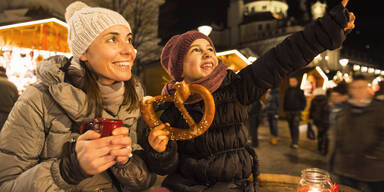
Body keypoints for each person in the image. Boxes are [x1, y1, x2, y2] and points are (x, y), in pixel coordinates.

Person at [141, 0, 355, 191]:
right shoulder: (168, 109)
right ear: (180, 68)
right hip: (187, 186)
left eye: (210, 49)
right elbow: (165, 167)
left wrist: (328, 28)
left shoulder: (237, 87)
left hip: (233, 184)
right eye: (195, 50)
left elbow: (283, 58)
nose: (207, 53)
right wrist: (160, 152)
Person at [0, 1, 156, 191]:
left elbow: (145, 182)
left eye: (129, 40)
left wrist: (125, 162)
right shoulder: (38, 100)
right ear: (83, 52)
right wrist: (69, 170)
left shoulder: (131, 101)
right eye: (112, 39)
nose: (129, 51)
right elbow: (6, 185)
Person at [330, 75, 384, 192]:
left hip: (373, 169)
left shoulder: (379, 109)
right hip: (347, 168)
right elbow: (338, 137)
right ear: (350, 90)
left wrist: (375, 154)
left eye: (361, 87)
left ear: (368, 89)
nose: (358, 91)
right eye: (354, 88)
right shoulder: (345, 109)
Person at [283, 77, 307, 149]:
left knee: (295, 126)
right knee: (290, 126)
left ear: (296, 82)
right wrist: (285, 109)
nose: (292, 83)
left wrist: (301, 108)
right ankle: (293, 139)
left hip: (296, 111)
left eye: (293, 81)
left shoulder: (300, 91)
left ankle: (295, 142)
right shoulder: (287, 90)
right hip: (289, 111)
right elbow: (285, 100)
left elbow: (304, 101)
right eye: (290, 81)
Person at [308, 88, 330, 155]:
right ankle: (325, 149)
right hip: (326, 120)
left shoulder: (314, 100)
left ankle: (319, 147)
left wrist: (310, 118)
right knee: (326, 135)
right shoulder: (327, 100)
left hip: (317, 120)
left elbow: (311, 110)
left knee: (320, 133)